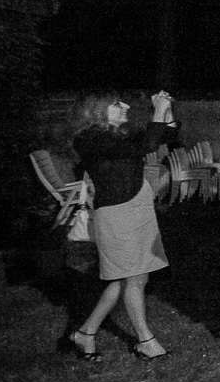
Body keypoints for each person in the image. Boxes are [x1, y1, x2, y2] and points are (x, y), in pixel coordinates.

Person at [66, 91, 177, 361]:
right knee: (134, 277)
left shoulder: (118, 135)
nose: (125, 106)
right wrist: (158, 111)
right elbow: (148, 144)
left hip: (137, 209)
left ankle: (85, 333)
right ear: (97, 110)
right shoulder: (90, 138)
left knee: (127, 278)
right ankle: (146, 341)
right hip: (118, 214)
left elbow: (167, 136)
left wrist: (166, 109)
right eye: (117, 104)